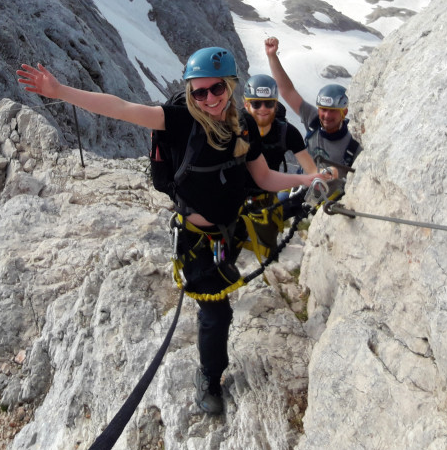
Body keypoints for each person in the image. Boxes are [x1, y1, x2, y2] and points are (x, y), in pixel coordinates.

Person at [17, 47, 329, 416]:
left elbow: (263, 177)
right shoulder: (179, 120)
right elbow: (121, 108)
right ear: (190, 93)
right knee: (217, 314)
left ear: (230, 86)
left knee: (222, 289)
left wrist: (307, 180)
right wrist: (61, 92)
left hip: (229, 229)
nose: (209, 99)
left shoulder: (243, 124)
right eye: (199, 92)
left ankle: (211, 365)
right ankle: (210, 379)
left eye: (217, 89)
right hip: (197, 240)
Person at [264, 36, 361, 173]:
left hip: (335, 194)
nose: (326, 115)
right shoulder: (314, 119)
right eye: (323, 109)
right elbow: (287, 91)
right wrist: (272, 56)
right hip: (303, 188)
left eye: (333, 111)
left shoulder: (354, 142)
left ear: (344, 113)